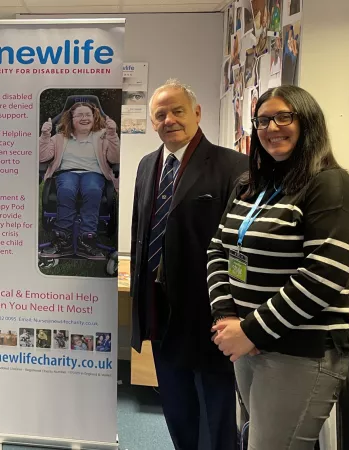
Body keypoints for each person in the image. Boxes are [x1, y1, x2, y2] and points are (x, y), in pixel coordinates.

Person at [208, 85, 349, 449]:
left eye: (284, 117)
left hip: (301, 351)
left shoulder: (331, 186)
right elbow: (218, 250)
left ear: (308, 122)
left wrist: (251, 331)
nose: (271, 127)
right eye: (263, 120)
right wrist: (226, 318)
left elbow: (322, 277)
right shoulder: (251, 185)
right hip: (248, 344)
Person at [130, 79, 248, 450]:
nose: (169, 120)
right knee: (178, 412)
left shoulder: (234, 167)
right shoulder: (148, 165)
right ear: (153, 123)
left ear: (197, 113)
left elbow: (237, 248)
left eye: (177, 111)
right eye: (160, 115)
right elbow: (141, 234)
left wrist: (230, 311)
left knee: (215, 419)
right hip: (160, 315)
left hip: (207, 317)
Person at [39, 102, 120, 260]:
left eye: (88, 114)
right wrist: (45, 136)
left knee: (92, 190)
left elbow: (115, 158)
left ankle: (87, 239)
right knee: (67, 189)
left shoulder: (103, 134)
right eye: (80, 115)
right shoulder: (60, 137)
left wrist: (112, 134)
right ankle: (63, 239)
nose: (85, 118)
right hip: (67, 172)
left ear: (94, 116)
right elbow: (43, 157)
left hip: (93, 173)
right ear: (71, 118)